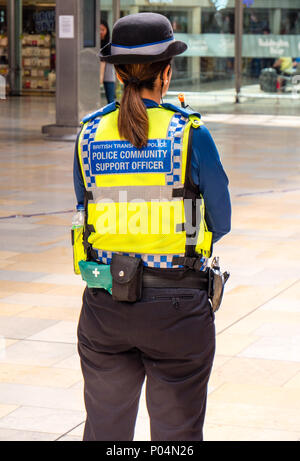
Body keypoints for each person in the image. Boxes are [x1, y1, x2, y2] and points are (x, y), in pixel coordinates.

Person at [73, 12, 231, 441]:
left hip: (105, 303)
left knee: (105, 430)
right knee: (176, 434)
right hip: (178, 308)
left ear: (120, 73)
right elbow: (222, 219)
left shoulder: (89, 134)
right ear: (166, 72)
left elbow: (82, 206)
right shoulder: (189, 132)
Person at [100, 20, 116, 103]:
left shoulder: (110, 43)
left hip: (109, 76)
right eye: (99, 29)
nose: (101, 32)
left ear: (107, 30)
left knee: (111, 101)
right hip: (95, 76)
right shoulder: (95, 44)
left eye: (103, 30)